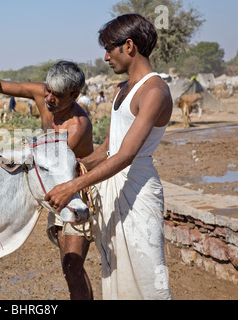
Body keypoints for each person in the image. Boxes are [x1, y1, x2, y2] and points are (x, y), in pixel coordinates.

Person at [45, 14, 173, 300]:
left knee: (146, 276)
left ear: (129, 46)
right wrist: (77, 169)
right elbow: (109, 147)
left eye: (108, 49)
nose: (105, 57)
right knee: (115, 273)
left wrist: (72, 186)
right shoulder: (121, 89)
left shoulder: (154, 91)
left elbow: (127, 155)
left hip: (137, 192)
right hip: (112, 189)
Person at [0, 61, 95, 300]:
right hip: (54, 188)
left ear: (75, 95)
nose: (48, 98)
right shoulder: (44, 94)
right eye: (47, 90)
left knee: (72, 265)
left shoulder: (77, 126)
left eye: (56, 95)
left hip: (76, 192)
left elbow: (48, 160)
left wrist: (9, 156)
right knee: (69, 265)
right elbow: (5, 86)